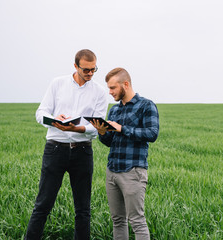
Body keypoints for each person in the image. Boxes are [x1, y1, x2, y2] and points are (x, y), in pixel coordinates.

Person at [25, 49, 109, 240]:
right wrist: (55, 119)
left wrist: (76, 129)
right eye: (86, 70)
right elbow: (40, 113)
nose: (90, 74)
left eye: (93, 70)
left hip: (83, 151)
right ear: (75, 66)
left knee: (83, 208)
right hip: (55, 149)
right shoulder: (57, 83)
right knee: (43, 204)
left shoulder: (100, 92)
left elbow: (97, 127)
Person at [90, 68, 159, 240]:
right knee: (118, 220)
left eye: (113, 88)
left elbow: (152, 134)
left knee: (137, 220)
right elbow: (109, 142)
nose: (110, 92)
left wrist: (122, 128)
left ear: (125, 84)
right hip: (112, 171)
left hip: (133, 171)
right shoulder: (114, 110)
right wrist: (102, 132)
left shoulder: (146, 105)